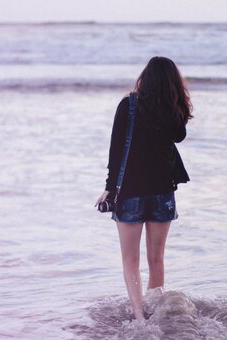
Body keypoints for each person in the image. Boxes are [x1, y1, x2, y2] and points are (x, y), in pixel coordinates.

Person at [95, 56, 193, 321]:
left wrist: (109, 187)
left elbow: (116, 149)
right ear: (173, 82)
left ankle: (139, 316)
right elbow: (179, 136)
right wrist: (176, 102)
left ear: (144, 77)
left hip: (130, 192)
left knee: (130, 260)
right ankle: (155, 309)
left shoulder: (128, 106)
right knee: (156, 259)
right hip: (162, 192)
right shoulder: (171, 109)